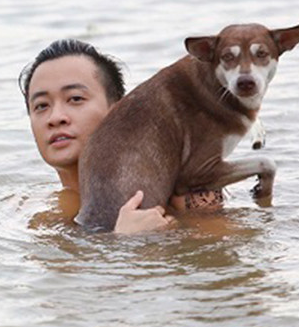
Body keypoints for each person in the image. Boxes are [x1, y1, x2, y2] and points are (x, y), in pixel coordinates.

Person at [19, 38, 223, 234]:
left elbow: (223, 245)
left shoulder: (181, 187)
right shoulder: (35, 217)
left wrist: (140, 243)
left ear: (120, 111)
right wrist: (123, 240)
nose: (55, 118)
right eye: (41, 106)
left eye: (75, 99)